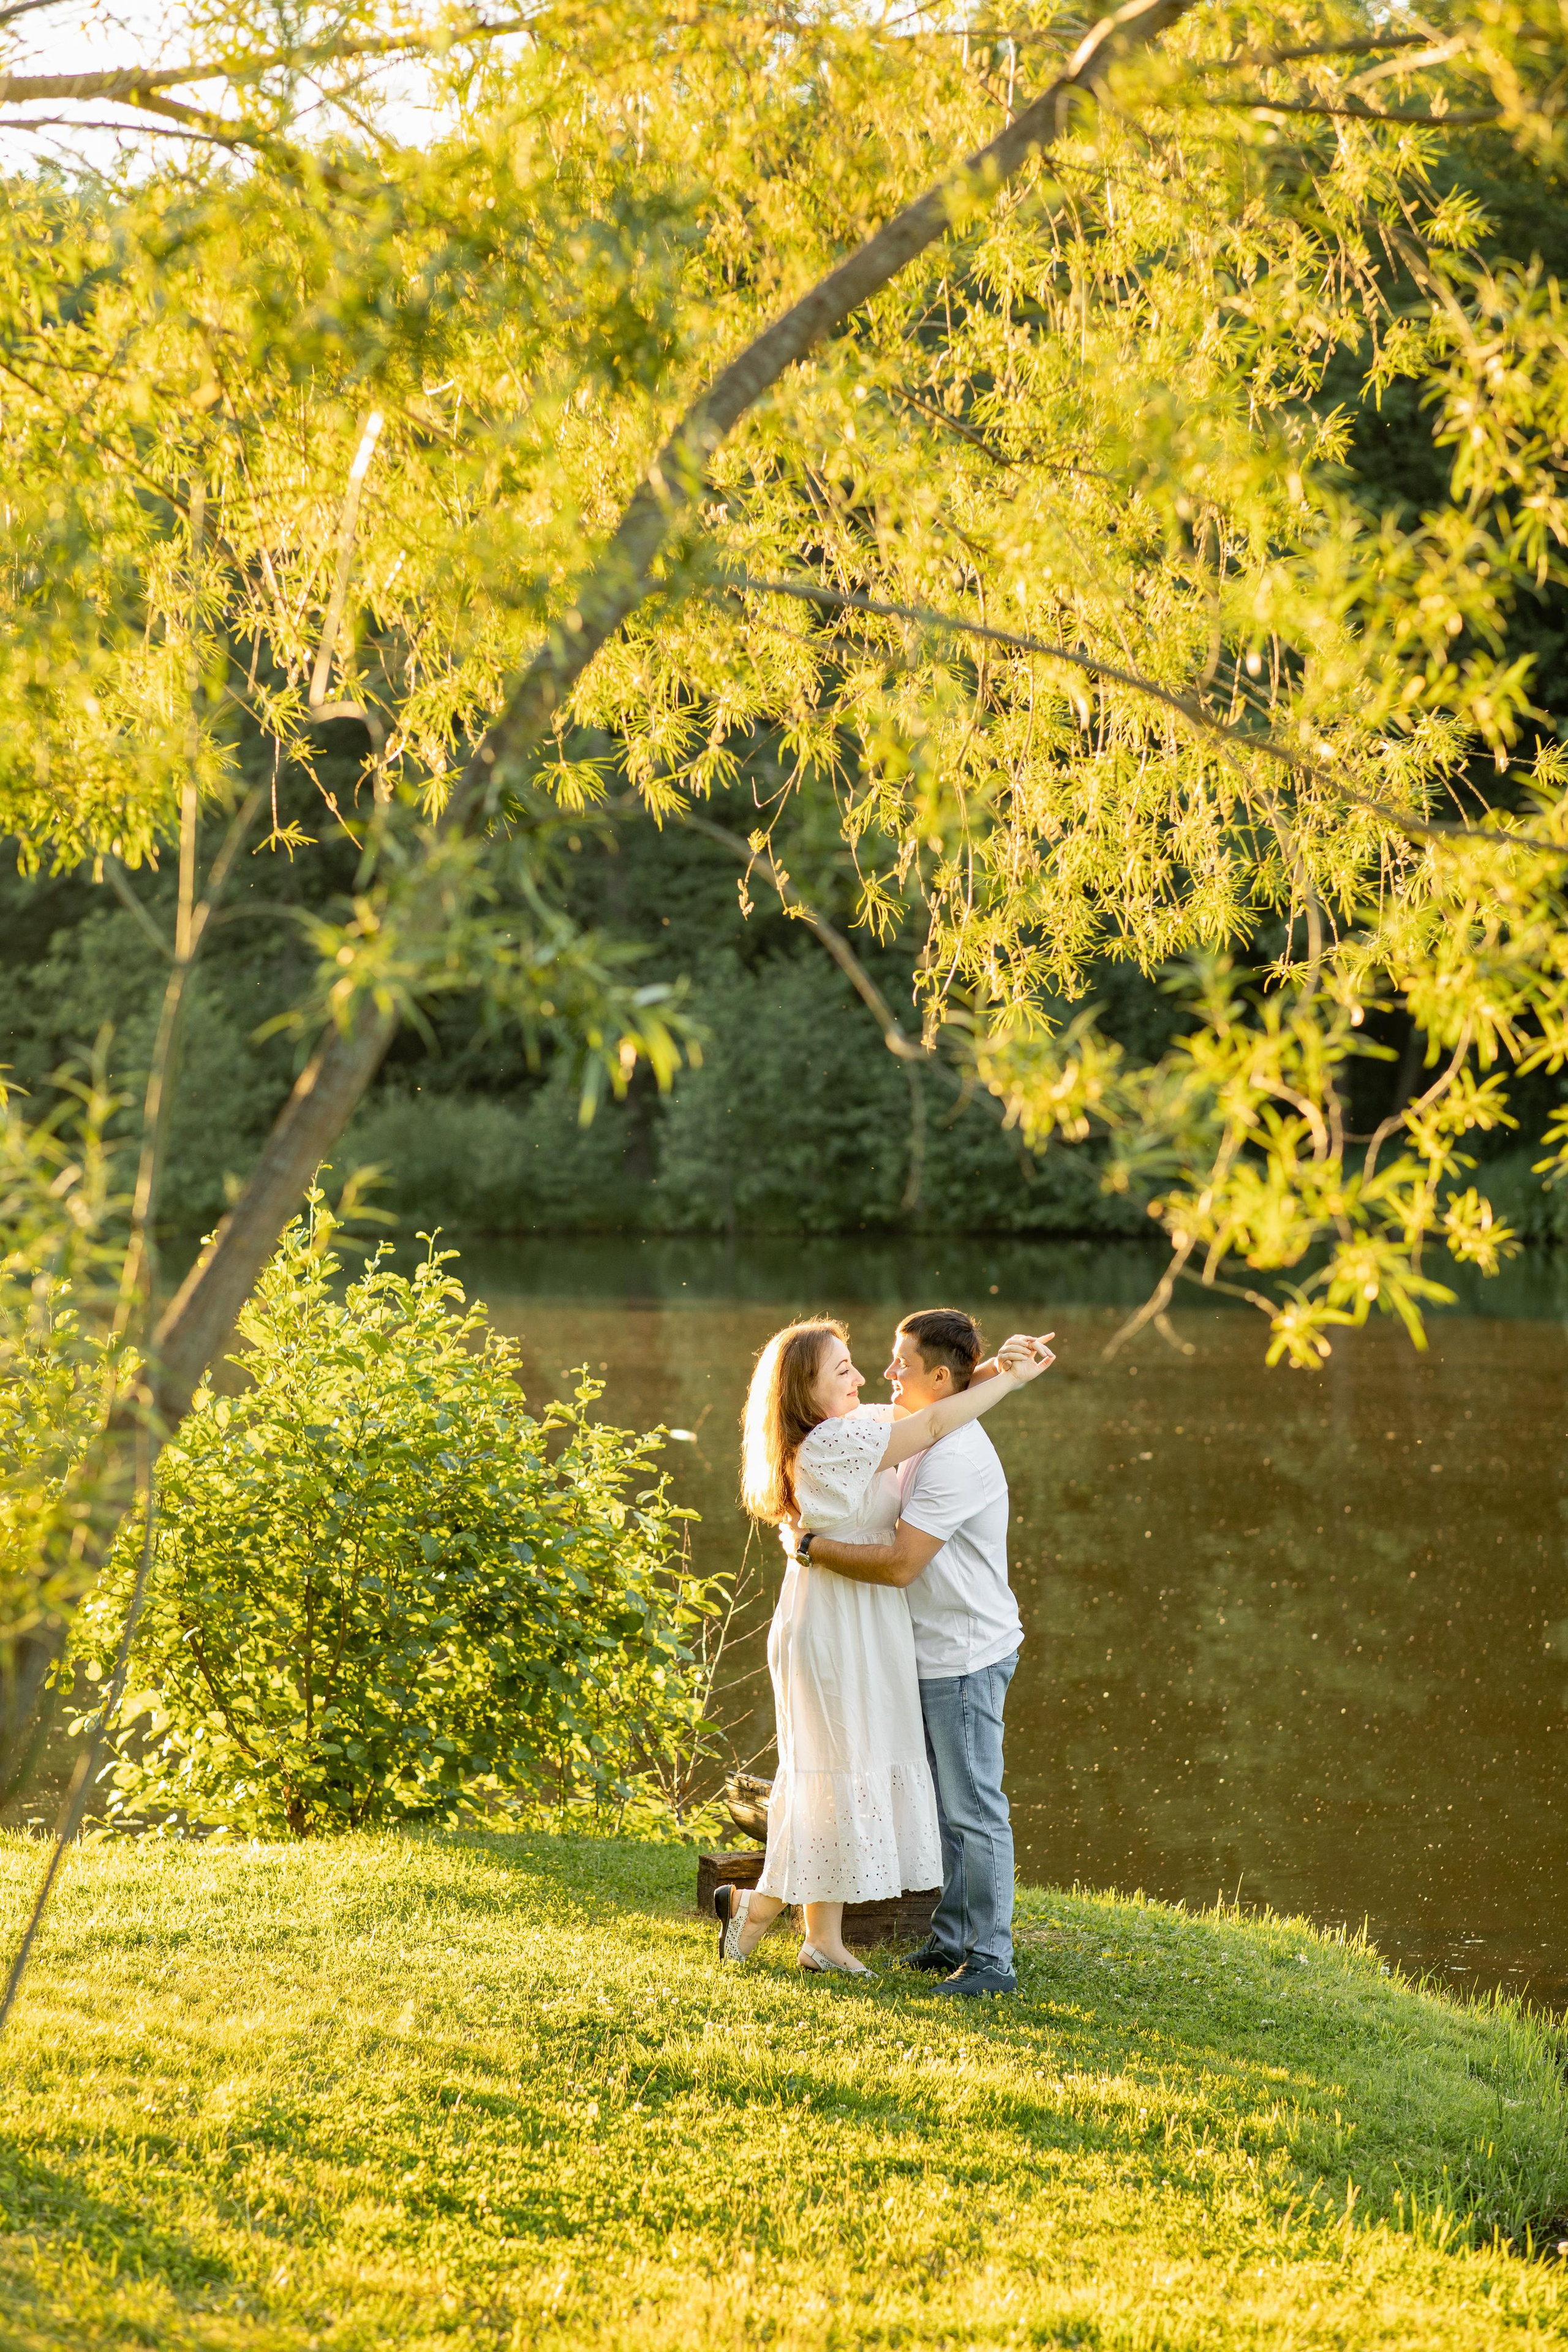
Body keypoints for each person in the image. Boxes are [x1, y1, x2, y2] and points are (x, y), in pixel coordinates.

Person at [715, 1318, 1052, 1977]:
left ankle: (852, 1939)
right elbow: (924, 1420)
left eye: (893, 1364)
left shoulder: (864, 1426)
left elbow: (930, 1413)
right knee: (837, 1774)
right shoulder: (837, 1438)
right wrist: (1008, 1378)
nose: (871, 1376)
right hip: (841, 1625)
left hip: (906, 1633)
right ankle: (776, 1915)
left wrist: (995, 1371)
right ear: (804, 1392)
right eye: (845, 1370)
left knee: (862, 1779)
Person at [799, 1308, 1039, 1997]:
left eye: (901, 1363)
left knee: (973, 1809)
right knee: (946, 1810)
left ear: (938, 1377)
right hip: (930, 1652)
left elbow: (902, 1564)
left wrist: (814, 1550)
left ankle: (991, 1961)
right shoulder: (919, 1423)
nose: (885, 1372)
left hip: (964, 1655)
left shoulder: (956, 1454)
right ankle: (950, 1941)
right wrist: (995, 1370)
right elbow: (913, 1410)